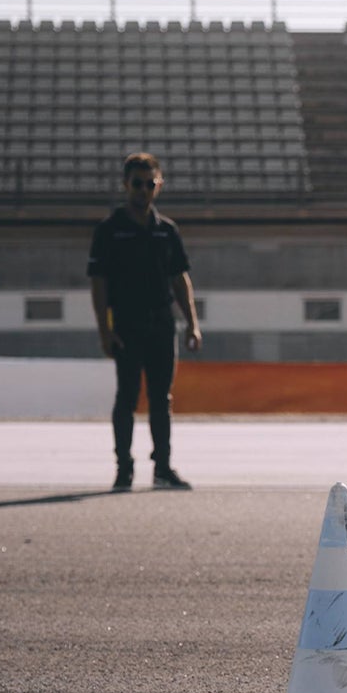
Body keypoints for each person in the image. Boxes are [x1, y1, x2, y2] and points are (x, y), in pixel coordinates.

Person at [88, 153, 202, 491]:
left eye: (150, 184)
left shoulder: (167, 231)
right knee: (127, 397)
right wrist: (105, 331)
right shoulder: (109, 231)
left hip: (162, 324)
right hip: (126, 324)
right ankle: (124, 468)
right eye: (137, 183)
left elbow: (180, 279)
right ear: (125, 185)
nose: (143, 190)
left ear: (159, 185)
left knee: (161, 398)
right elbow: (98, 283)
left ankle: (162, 468)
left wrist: (192, 324)